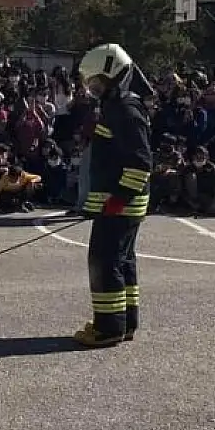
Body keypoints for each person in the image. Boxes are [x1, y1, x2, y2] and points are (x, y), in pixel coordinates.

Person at [74, 43, 153, 348]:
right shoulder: (117, 105)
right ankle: (126, 322)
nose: (92, 88)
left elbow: (141, 162)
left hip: (122, 203)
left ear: (114, 76)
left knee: (104, 261)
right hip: (118, 203)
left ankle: (108, 329)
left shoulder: (126, 110)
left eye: (97, 83)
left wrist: (119, 198)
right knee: (122, 261)